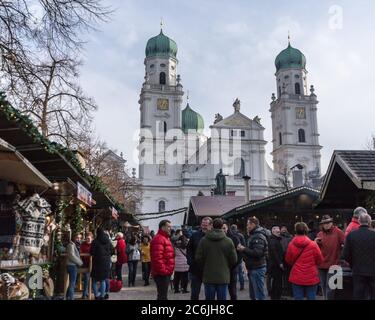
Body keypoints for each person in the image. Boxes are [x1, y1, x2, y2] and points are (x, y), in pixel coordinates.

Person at [196, 218, 237, 300]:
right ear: (222, 226)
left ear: (212, 226)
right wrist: (226, 266)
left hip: (208, 276)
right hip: (223, 276)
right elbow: (234, 259)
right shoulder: (228, 241)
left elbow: (198, 258)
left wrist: (205, 267)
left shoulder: (204, 240)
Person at [285, 222, 323, 300]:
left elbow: (288, 260)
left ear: (295, 231)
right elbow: (320, 260)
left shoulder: (291, 244)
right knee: (311, 297)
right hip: (311, 275)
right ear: (306, 231)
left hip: (296, 275)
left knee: (298, 298)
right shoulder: (313, 244)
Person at [342, 213, 375, 299]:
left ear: (359, 221)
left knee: (358, 294)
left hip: (357, 270)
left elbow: (345, 255)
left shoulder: (351, 235)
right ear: (369, 222)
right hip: (373, 271)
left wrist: (353, 264)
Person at [237, 216, 268, 300]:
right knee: (254, 295)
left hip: (257, 268)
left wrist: (243, 249)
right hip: (254, 267)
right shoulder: (254, 235)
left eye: (248, 225)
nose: (247, 227)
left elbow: (257, 253)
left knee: (258, 295)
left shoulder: (258, 236)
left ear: (253, 224)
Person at [315, 215, 345, 300]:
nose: (327, 224)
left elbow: (345, 244)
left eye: (328, 222)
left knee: (331, 287)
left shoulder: (338, 232)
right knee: (323, 286)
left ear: (332, 223)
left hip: (334, 264)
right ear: (322, 224)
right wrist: (315, 242)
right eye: (324, 223)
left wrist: (342, 251)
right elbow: (315, 248)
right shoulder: (320, 234)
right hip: (321, 264)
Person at [186, 217, 213, 300]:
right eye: (202, 224)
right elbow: (189, 249)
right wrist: (190, 261)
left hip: (209, 270)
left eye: (206, 225)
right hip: (195, 269)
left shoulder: (213, 236)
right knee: (194, 294)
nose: (204, 227)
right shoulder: (195, 235)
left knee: (209, 294)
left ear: (211, 225)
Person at [150, 220, 175, 300]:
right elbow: (157, 258)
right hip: (162, 274)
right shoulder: (159, 239)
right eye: (168, 226)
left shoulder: (165, 238)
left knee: (162, 296)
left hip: (165, 273)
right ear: (162, 227)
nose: (170, 228)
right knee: (162, 296)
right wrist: (165, 271)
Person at [90, 228, 112, 300]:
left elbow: (91, 252)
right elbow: (112, 250)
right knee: (103, 280)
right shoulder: (108, 241)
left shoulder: (95, 241)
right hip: (106, 262)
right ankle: (102, 296)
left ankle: (96, 295)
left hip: (97, 262)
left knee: (94, 280)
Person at [222, 222, 241, 300]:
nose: (222, 230)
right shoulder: (217, 238)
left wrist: (234, 265)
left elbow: (239, 254)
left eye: (224, 228)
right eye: (221, 228)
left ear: (227, 228)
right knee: (222, 290)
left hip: (232, 268)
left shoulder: (234, 238)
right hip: (222, 269)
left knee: (232, 290)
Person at [268, 226, 284, 300]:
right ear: (273, 232)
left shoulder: (276, 239)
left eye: (279, 231)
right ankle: (275, 297)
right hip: (275, 266)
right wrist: (280, 263)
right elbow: (274, 253)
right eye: (277, 232)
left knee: (277, 282)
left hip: (275, 264)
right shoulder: (273, 240)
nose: (279, 233)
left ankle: (276, 296)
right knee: (277, 282)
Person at [66, 233, 83, 300]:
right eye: (77, 238)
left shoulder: (75, 245)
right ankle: (71, 297)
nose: (78, 239)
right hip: (71, 265)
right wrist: (80, 262)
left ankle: (68, 296)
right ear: (74, 238)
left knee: (72, 282)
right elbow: (72, 256)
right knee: (72, 283)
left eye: (80, 238)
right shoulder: (71, 245)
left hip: (73, 265)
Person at [230, 224, 245, 290]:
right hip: (239, 255)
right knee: (240, 272)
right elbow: (244, 245)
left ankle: (234, 286)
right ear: (236, 228)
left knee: (234, 273)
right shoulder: (240, 235)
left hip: (232, 256)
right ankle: (242, 286)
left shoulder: (230, 236)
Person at [280, 225, 293, 297]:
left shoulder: (290, 237)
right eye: (282, 228)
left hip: (288, 258)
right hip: (283, 259)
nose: (283, 230)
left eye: (284, 228)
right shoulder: (279, 238)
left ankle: (288, 290)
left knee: (287, 275)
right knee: (284, 276)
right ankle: (286, 290)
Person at [80, 232, 93, 299]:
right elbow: (80, 252)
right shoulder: (83, 244)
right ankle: (85, 294)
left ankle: (86, 293)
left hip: (92, 264)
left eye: (89, 238)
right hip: (85, 264)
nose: (88, 240)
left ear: (92, 238)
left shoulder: (93, 245)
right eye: (87, 238)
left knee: (90, 280)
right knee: (86, 279)